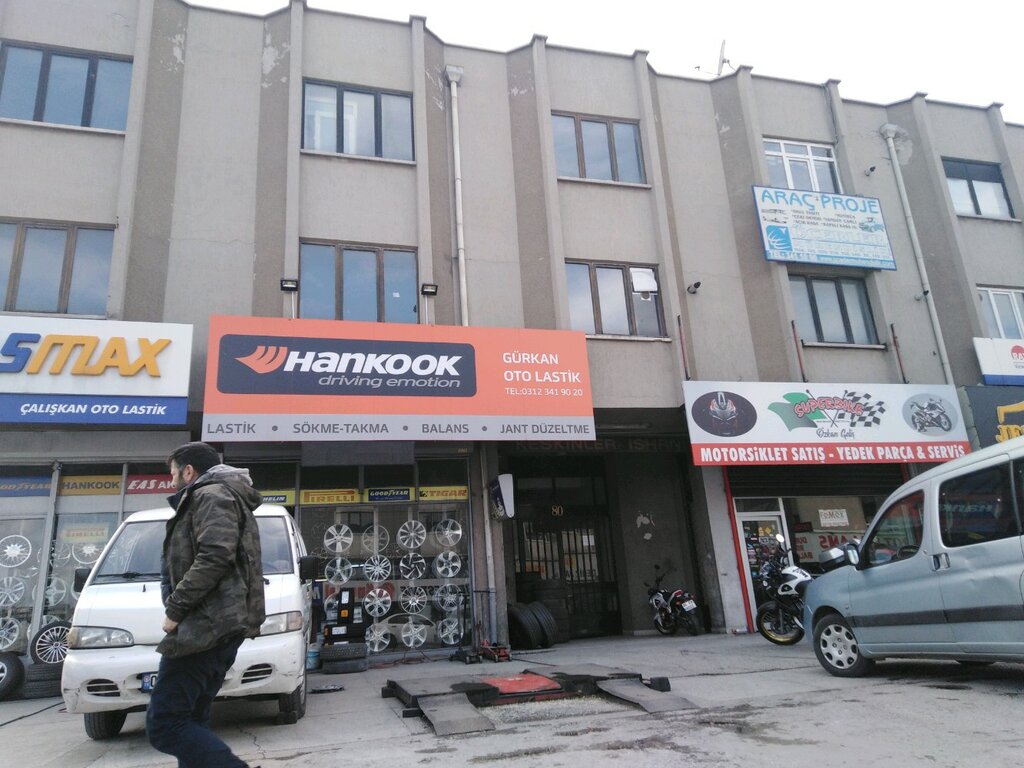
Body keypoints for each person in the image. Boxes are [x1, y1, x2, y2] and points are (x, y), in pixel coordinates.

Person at [146, 441, 265, 768]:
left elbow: (215, 556)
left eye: (173, 473)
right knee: (190, 720)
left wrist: (176, 608)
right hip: (212, 625)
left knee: (165, 724)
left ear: (189, 471)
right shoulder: (213, 495)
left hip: (205, 627)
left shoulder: (211, 496)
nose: (171, 481)